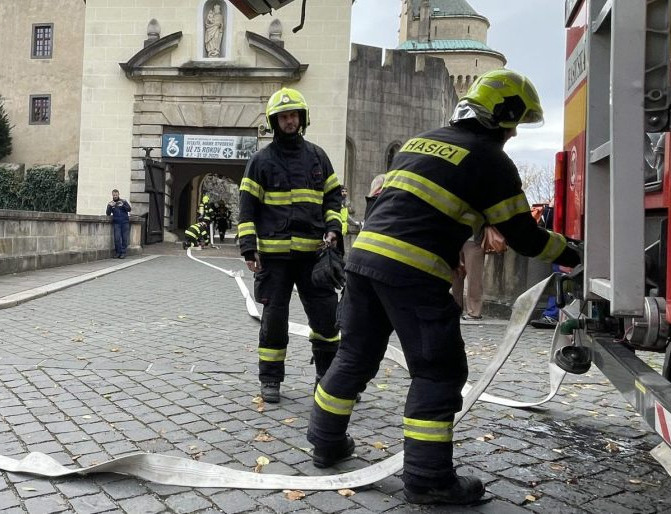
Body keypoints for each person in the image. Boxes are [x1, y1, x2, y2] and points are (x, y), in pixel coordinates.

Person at [306, 70, 581, 504]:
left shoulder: (421, 141)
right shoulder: (491, 160)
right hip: (412, 271)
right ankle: (428, 479)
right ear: (502, 117)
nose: (511, 134)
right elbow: (525, 238)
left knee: (354, 356)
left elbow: (402, 204)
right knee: (439, 372)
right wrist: (573, 253)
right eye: (514, 124)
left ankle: (325, 442)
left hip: (363, 261)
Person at [238, 87, 343, 404]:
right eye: (283, 116)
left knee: (326, 321)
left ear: (302, 118)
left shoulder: (318, 157)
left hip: (314, 256)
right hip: (275, 257)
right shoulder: (260, 162)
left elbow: (333, 198)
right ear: (274, 121)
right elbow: (247, 209)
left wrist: (334, 227)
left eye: (293, 115)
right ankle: (270, 380)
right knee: (274, 321)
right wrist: (248, 248)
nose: (289, 121)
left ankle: (328, 380)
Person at [451, 236, 486, 320]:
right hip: (456, 240)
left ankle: (474, 312)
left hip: (474, 241)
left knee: (474, 278)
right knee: (455, 275)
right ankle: (456, 307)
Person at [105, 189, 132, 258]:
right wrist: (109, 206)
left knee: (124, 238)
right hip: (116, 223)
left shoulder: (123, 201)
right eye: (114, 195)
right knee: (117, 238)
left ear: (118, 194)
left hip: (125, 222)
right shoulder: (111, 203)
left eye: (116, 195)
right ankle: (118, 252)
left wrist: (123, 205)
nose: (115, 196)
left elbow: (129, 209)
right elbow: (108, 213)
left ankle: (123, 253)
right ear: (112, 195)